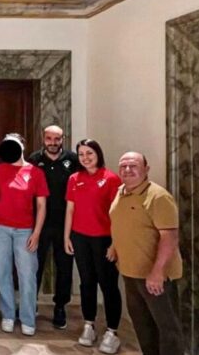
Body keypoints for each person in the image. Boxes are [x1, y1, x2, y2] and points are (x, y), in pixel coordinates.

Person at [109, 152, 185, 355]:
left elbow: (169, 236)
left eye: (133, 166)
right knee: (142, 324)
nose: (127, 170)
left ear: (146, 169)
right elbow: (123, 223)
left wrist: (157, 272)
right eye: (123, 166)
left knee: (167, 328)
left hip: (154, 276)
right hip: (130, 272)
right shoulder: (121, 192)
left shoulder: (158, 197)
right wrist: (114, 246)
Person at [63, 139, 122, 353]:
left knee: (108, 285)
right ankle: (89, 325)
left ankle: (112, 331)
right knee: (86, 283)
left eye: (89, 153)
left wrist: (115, 244)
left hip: (104, 240)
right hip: (80, 238)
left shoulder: (111, 179)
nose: (85, 157)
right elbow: (70, 210)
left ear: (98, 153)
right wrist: (66, 237)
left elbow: (118, 215)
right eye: (81, 154)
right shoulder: (74, 179)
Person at [0, 133, 49, 336]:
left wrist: (37, 233)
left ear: (22, 146)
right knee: (2, 272)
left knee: (27, 275)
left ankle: (27, 318)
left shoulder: (35, 172)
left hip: (25, 230)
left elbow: (42, 205)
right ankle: (8, 314)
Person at [28, 125, 78, 329]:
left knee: (64, 268)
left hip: (65, 225)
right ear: (43, 138)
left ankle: (60, 306)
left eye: (57, 139)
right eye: (49, 138)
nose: (53, 143)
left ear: (62, 139)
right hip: (37, 224)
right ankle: (31, 303)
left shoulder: (73, 160)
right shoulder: (33, 160)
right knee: (33, 266)